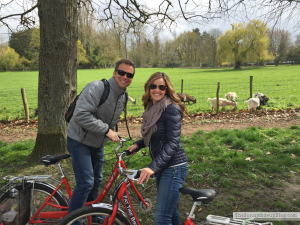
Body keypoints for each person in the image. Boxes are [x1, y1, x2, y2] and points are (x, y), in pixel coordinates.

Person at [65, 59, 135, 223]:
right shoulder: (97, 87)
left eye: (129, 75)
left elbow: (108, 119)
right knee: (85, 183)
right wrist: (106, 131)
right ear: (114, 72)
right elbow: (81, 115)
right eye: (121, 72)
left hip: (97, 144)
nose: (125, 77)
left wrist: (111, 132)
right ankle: (73, 221)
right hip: (79, 141)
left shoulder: (123, 96)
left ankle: (92, 213)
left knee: (96, 181)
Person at [128, 72, 189, 225]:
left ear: (167, 90)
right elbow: (155, 135)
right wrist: (138, 144)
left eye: (161, 87)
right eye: (153, 86)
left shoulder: (170, 109)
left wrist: (152, 167)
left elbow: (172, 143)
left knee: (161, 217)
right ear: (149, 87)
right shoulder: (152, 107)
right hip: (162, 166)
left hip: (174, 167)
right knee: (171, 210)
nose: (157, 90)